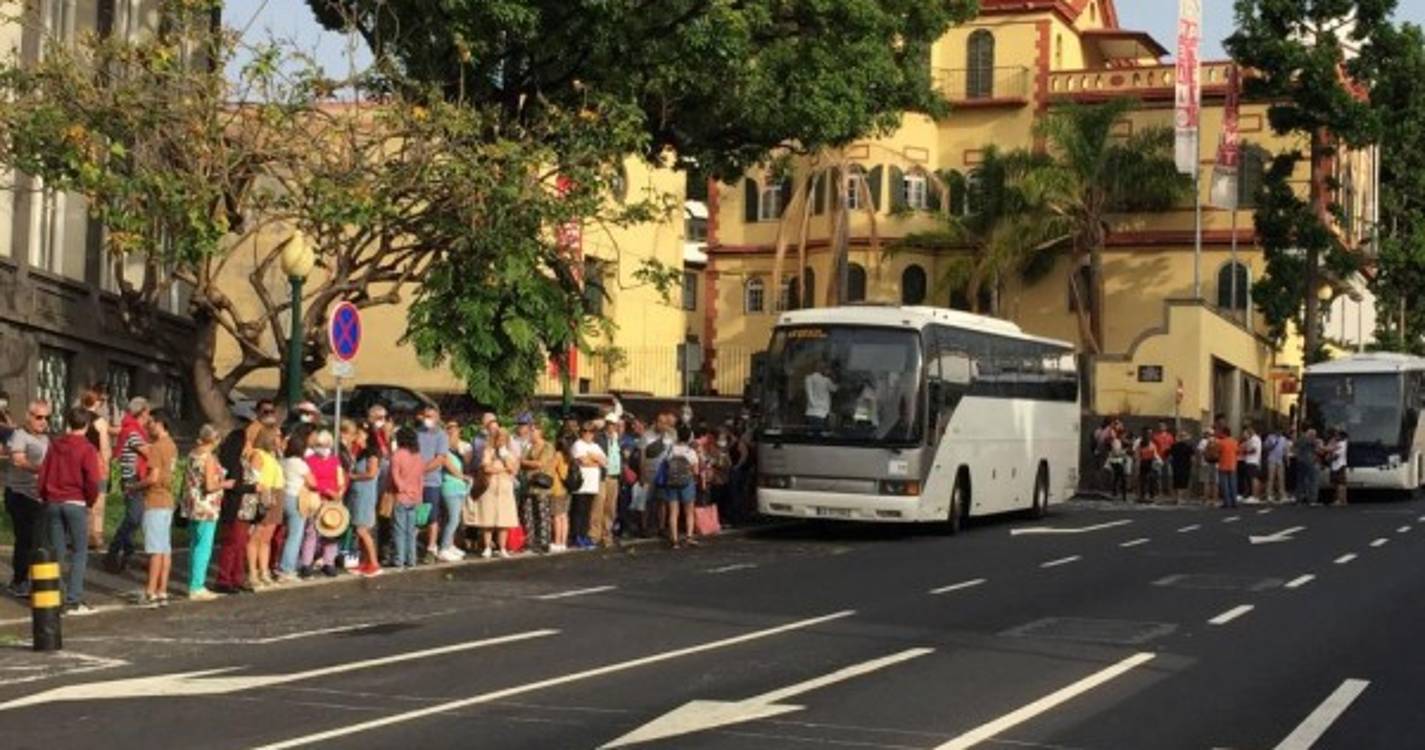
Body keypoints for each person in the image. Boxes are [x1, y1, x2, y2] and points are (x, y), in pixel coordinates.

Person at [36, 407, 100, 614]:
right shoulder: (87, 448)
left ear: (68, 423)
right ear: (87, 425)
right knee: (80, 551)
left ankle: (57, 595)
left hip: (53, 500)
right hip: (75, 501)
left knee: (58, 551)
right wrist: (90, 501)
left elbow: (44, 473)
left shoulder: (55, 445)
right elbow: (92, 479)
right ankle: (73, 599)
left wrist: (44, 496)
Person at [6, 400, 52, 598]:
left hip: (39, 496)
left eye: (46, 417)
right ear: (29, 416)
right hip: (20, 494)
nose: (43, 421)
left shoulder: (45, 438)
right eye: (39, 417)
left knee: (39, 540)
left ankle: (34, 578)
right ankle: (19, 581)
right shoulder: (20, 435)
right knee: (25, 539)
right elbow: (18, 460)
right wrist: (43, 471)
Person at [183, 424, 231, 601]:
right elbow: (210, 485)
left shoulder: (192, 454)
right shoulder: (208, 458)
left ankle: (194, 582)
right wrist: (225, 484)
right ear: (215, 440)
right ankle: (197, 585)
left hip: (193, 503)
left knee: (195, 543)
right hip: (207, 506)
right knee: (203, 546)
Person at [104, 397, 150, 574]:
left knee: (135, 518)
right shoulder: (133, 432)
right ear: (142, 412)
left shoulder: (133, 430)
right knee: (133, 518)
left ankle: (127, 554)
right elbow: (148, 452)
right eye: (147, 412)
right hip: (132, 479)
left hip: (133, 478)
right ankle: (113, 553)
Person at [140, 410, 179, 607]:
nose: (148, 426)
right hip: (168, 500)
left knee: (155, 549)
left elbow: (153, 477)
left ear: (160, 423)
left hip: (155, 499)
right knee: (165, 549)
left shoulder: (157, 447)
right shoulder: (172, 445)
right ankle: (162, 589)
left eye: (151, 423)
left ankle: (151, 590)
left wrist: (135, 485)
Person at [214, 415, 256, 594]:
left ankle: (238, 576)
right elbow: (232, 484)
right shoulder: (232, 461)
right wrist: (252, 487)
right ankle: (224, 578)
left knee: (240, 545)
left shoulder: (244, 460)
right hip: (236, 506)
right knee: (232, 543)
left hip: (246, 508)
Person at [245, 427, 285, 590]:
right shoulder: (258, 454)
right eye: (277, 436)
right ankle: (253, 572)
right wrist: (266, 495)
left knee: (267, 538)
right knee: (256, 536)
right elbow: (253, 478)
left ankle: (264, 570)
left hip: (276, 494)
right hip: (265, 496)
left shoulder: (273, 455)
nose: (280, 439)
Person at [276, 424, 317, 582]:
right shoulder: (300, 464)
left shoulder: (283, 461)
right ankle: (287, 568)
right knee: (295, 535)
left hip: (284, 497)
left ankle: (283, 564)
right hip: (296, 498)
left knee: (286, 533)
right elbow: (312, 482)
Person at [301, 429, 345, 577]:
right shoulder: (310, 460)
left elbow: (340, 479)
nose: (323, 447)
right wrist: (326, 491)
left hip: (332, 501)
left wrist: (339, 492)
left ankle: (329, 562)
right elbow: (310, 482)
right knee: (311, 532)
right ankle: (306, 563)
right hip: (316, 498)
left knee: (331, 532)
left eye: (326, 444)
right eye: (320, 444)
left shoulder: (335, 460)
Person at [416, 406, 454, 565]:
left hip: (432, 482)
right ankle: (413, 547)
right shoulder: (417, 433)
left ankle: (432, 548)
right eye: (426, 416)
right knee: (416, 516)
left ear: (438, 417)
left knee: (432, 517)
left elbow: (440, 459)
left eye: (431, 416)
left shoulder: (441, 435)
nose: (428, 419)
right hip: (415, 482)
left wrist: (420, 470)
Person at [475, 427, 520, 557]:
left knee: (504, 520)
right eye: (498, 437)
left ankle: (502, 548)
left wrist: (504, 457)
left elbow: (513, 469)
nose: (501, 440)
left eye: (503, 438)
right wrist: (502, 469)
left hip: (505, 489)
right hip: (490, 488)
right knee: (488, 519)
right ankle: (487, 547)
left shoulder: (509, 453)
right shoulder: (488, 451)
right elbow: (487, 468)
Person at [345, 422, 383, 576]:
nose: (356, 438)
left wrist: (353, 476)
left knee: (362, 529)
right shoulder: (361, 453)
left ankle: (374, 562)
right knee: (357, 529)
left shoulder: (372, 455)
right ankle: (364, 561)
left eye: (359, 434)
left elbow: (371, 473)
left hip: (365, 495)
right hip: (357, 494)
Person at [78, 386, 112, 551]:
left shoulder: (76, 419)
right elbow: (105, 447)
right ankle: (95, 536)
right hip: (96, 463)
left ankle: (79, 534)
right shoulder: (100, 422)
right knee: (98, 502)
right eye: (102, 400)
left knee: (81, 500)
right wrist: (106, 465)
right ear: (96, 401)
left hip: (78, 464)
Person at [660, 425, 701, 547]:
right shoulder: (691, 452)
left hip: (672, 483)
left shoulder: (671, 450)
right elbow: (696, 471)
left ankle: (674, 540)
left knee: (673, 512)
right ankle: (689, 537)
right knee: (689, 511)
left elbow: (666, 464)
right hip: (687, 483)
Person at [389, 427, 424, 568]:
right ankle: (412, 559)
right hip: (415, 497)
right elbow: (421, 478)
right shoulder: (417, 456)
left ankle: (399, 559)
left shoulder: (397, 455)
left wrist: (404, 489)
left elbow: (395, 477)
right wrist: (418, 494)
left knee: (399, 530)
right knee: (411, 531)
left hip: (401, 496)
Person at [438, 420, 471, 562]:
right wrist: (463, 477)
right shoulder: (443, 450)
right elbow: (450, 467)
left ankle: (450, 545)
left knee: (452, 519)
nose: (452, 432)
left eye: (455, 429)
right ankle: (444, 548)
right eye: (449, 429)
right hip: (450, 487)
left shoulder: (457, 450)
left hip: (459, 488)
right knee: (453, 519)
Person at [520, 424, 556, 554]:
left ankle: (544, 542)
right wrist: (525, 462)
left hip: (542, 486)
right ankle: (530, 542)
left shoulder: (548, 446)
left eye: (533, 430)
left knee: (543, 514)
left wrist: (524, 462)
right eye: (530, 430)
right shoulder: (529, 447)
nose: (531, 432)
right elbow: (522, 462)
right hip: (529, 486)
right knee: (528, 514)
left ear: (540, 432)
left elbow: (540, 463)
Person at [570, 422, 607, 550]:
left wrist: (592, 457)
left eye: (590, 432)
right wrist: (596, 460)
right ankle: (576, 536)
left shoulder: (596, 446)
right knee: (578, 511)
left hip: (592, 484)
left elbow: (605, 462)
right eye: (585, 431)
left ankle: (584, 535)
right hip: (581, 483)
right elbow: (583, 461)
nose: (587, 434)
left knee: (587, 512)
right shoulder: (578, 444)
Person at [592, 418, 621, 547]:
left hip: (614, 475)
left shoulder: (617, 438)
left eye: (614, 424)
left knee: (611, 507)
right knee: (598, 505)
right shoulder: (599, 437)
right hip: (602, 476)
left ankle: (607, 534)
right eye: (610, 424)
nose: (612, 426)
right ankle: (594, 535)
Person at [549, 434, 574, 553]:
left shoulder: (558, 455)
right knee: (564, 516)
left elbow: (551, 469)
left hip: (557, 488)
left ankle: (557, 542)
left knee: (557, 517)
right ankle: (563, 542)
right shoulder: (569, 456)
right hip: (567, 489)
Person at [803, 362, 838, 429]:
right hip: (821, 412)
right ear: (823, 370)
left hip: (810, 412)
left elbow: (809, 394)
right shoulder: (826, 380)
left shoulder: (808, 378)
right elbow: (834, 389)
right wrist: (833, 376)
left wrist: (813, 404)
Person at [1294, 427, 1322, 505]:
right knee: (1313, 481)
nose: (1315, 436)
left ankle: (1299, 499)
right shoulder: (1311, 440)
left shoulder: (1300, 439)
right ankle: (1312, 500)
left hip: (1300, 461)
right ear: (1311, 434)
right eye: (1314, 435)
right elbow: (1318, 449)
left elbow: (1295, 445)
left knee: (1300, 481)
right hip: (1310, 462)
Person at [1215, 427, 1240, 509]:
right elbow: (1237, 451)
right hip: (1233, 464)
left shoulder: (1221, 442)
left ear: (1224, 433)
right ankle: (1234, 502)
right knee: (1233, 484)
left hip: (1223, 465)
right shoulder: (1234, 441)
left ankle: (1227, 502)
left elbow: (1217, 452)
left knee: (1224, 485)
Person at [1168, 430, 1195, 504]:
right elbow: (1192, 458)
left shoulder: (1174, 446)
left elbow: (1170, 457)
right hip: (1185, 466)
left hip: (1176, 466)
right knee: (1184, 482)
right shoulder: (1188, 446)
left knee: (1176, 482)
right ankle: (1181, 498)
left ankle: (1176, 498)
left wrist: (1171, 464)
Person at [1134, 427, 1160, 503]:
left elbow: (1155, 454)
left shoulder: (1152, 444)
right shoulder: (1139, 443)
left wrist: (1158, 461)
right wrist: (1137, 465)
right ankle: (1142, 495)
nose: (1149, 435)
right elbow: (1137, 455)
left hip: (1151, 463)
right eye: (1148, 433)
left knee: (1152, 479)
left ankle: (1152, 495)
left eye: (1150, 433)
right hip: (1143, 463)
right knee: (1142, 480)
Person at [1263, 427, 1289, 503]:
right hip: (1272, 459)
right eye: (1278, 431)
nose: (1279, 433)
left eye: (1280, 431)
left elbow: (1285, 449)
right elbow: (1265, 447)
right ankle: (1269, 494)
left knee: (1281, 478)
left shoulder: (1283, 439)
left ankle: (1282, 495)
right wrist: (1271, 445)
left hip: (1280, 460)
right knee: (1271, 477)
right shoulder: (1270, 437)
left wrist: (1287, 459)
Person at [1240, 426, 1262, 503]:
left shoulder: (1254, 439)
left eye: (1246, 432)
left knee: (1253, 479)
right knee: (1253, 478)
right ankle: (1255, 496)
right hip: (1253, 461)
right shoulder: (1254, 439)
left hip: (1252, 460)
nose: (1245, 434)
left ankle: (1254, 496)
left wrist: (1246, 451)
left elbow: (1254, 449)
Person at [1327, 429, 1349, 506]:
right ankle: (1343, 500)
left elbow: (1336, 455)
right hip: (1337, 465)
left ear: (1341, 436)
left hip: (1339, 465)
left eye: (1337, 435)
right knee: (1339, 484)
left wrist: (1329, 458)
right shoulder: (1341, 443)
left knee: (1340, 484)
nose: (1336, 436)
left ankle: (1340, 500)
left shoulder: (1341, 444)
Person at [1105, 429, 1129, 502]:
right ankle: (1122, 495)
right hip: (1116, 462)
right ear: (1120, 435)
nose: (1125, 437)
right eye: (1124, 436)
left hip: (1118, 461)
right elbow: (1116, 453)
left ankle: (1116, 493)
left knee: (1117, 478)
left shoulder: (1120, 442)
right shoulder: (1116, 442)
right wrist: (1124, 452)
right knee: (1122, 478)